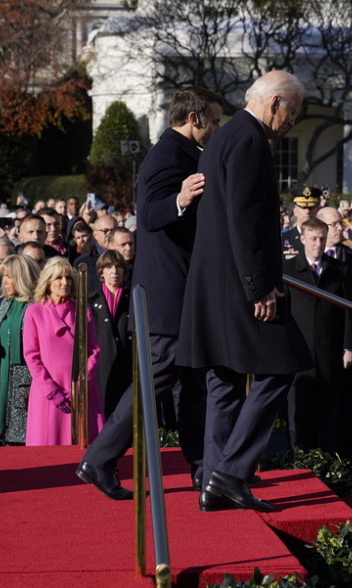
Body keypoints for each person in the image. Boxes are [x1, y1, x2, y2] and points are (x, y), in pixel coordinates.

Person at [77, 85, 222, 501]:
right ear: (193, 118)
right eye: (212, 120)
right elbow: (151, 211)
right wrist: (178, 199)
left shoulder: (186, 153)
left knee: (195, 384)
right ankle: (99, 458)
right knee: (153, 383)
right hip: (168, 296)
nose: (215, 128)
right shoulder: (166, 155)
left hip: (186, 295)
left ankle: (203, 468)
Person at [177, 70, 312, 513]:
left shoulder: (223, 136)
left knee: (225, 382)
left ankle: (213, 485)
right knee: (283, 365)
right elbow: (244, 221)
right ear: (275, 102)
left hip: (213, 284)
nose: (292, 120)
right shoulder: (250, 140)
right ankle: (230, 473)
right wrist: (261, 287)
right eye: (292, 111)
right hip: (242, 286)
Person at [282, 219, 352, 455]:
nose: (318, 244)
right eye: (313, 239)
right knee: (298, 417)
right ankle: (300, 463)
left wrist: (349, 346)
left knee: (329, 417)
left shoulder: (339, 271)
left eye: (321, 239)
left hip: (330, 353)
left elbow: (349, 311)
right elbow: (283, 313)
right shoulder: (287, 271)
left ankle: (329, 463)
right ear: (302, 239)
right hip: (298, 355)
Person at [23, 257, 104, 446]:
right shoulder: (34, 312)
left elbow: (94, 351)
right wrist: (52, 392)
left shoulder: (83, 311)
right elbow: (31, 356)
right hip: (48, 392)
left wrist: (80, 386)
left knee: (84, 449)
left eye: (68, 278)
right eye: (59, 278)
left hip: (81, 389)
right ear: (48, 282)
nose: (65, 282)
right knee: (47, 452)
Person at [0, 254, 41, 444]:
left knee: (26, 437)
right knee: (4, 436)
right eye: (4, 276)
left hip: (27, 380)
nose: (5, 281)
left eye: (10, 276)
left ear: (22, 277)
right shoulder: (5, 303)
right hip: (3, 377)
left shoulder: (38, 306)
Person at [89, 250, 132, 418]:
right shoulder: (91, 301)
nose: (114, 271)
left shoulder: (132, 297)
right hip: (101, 366)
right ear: (101, 272)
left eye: (118, 267)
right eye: (108, 267)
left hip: (127, 364)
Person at [281, 187, 320, 259]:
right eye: (303, 208)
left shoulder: (324, 238)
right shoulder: (282, 239)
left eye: (311, 208)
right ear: (295, 211)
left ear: (317, 210)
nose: (307, 212)